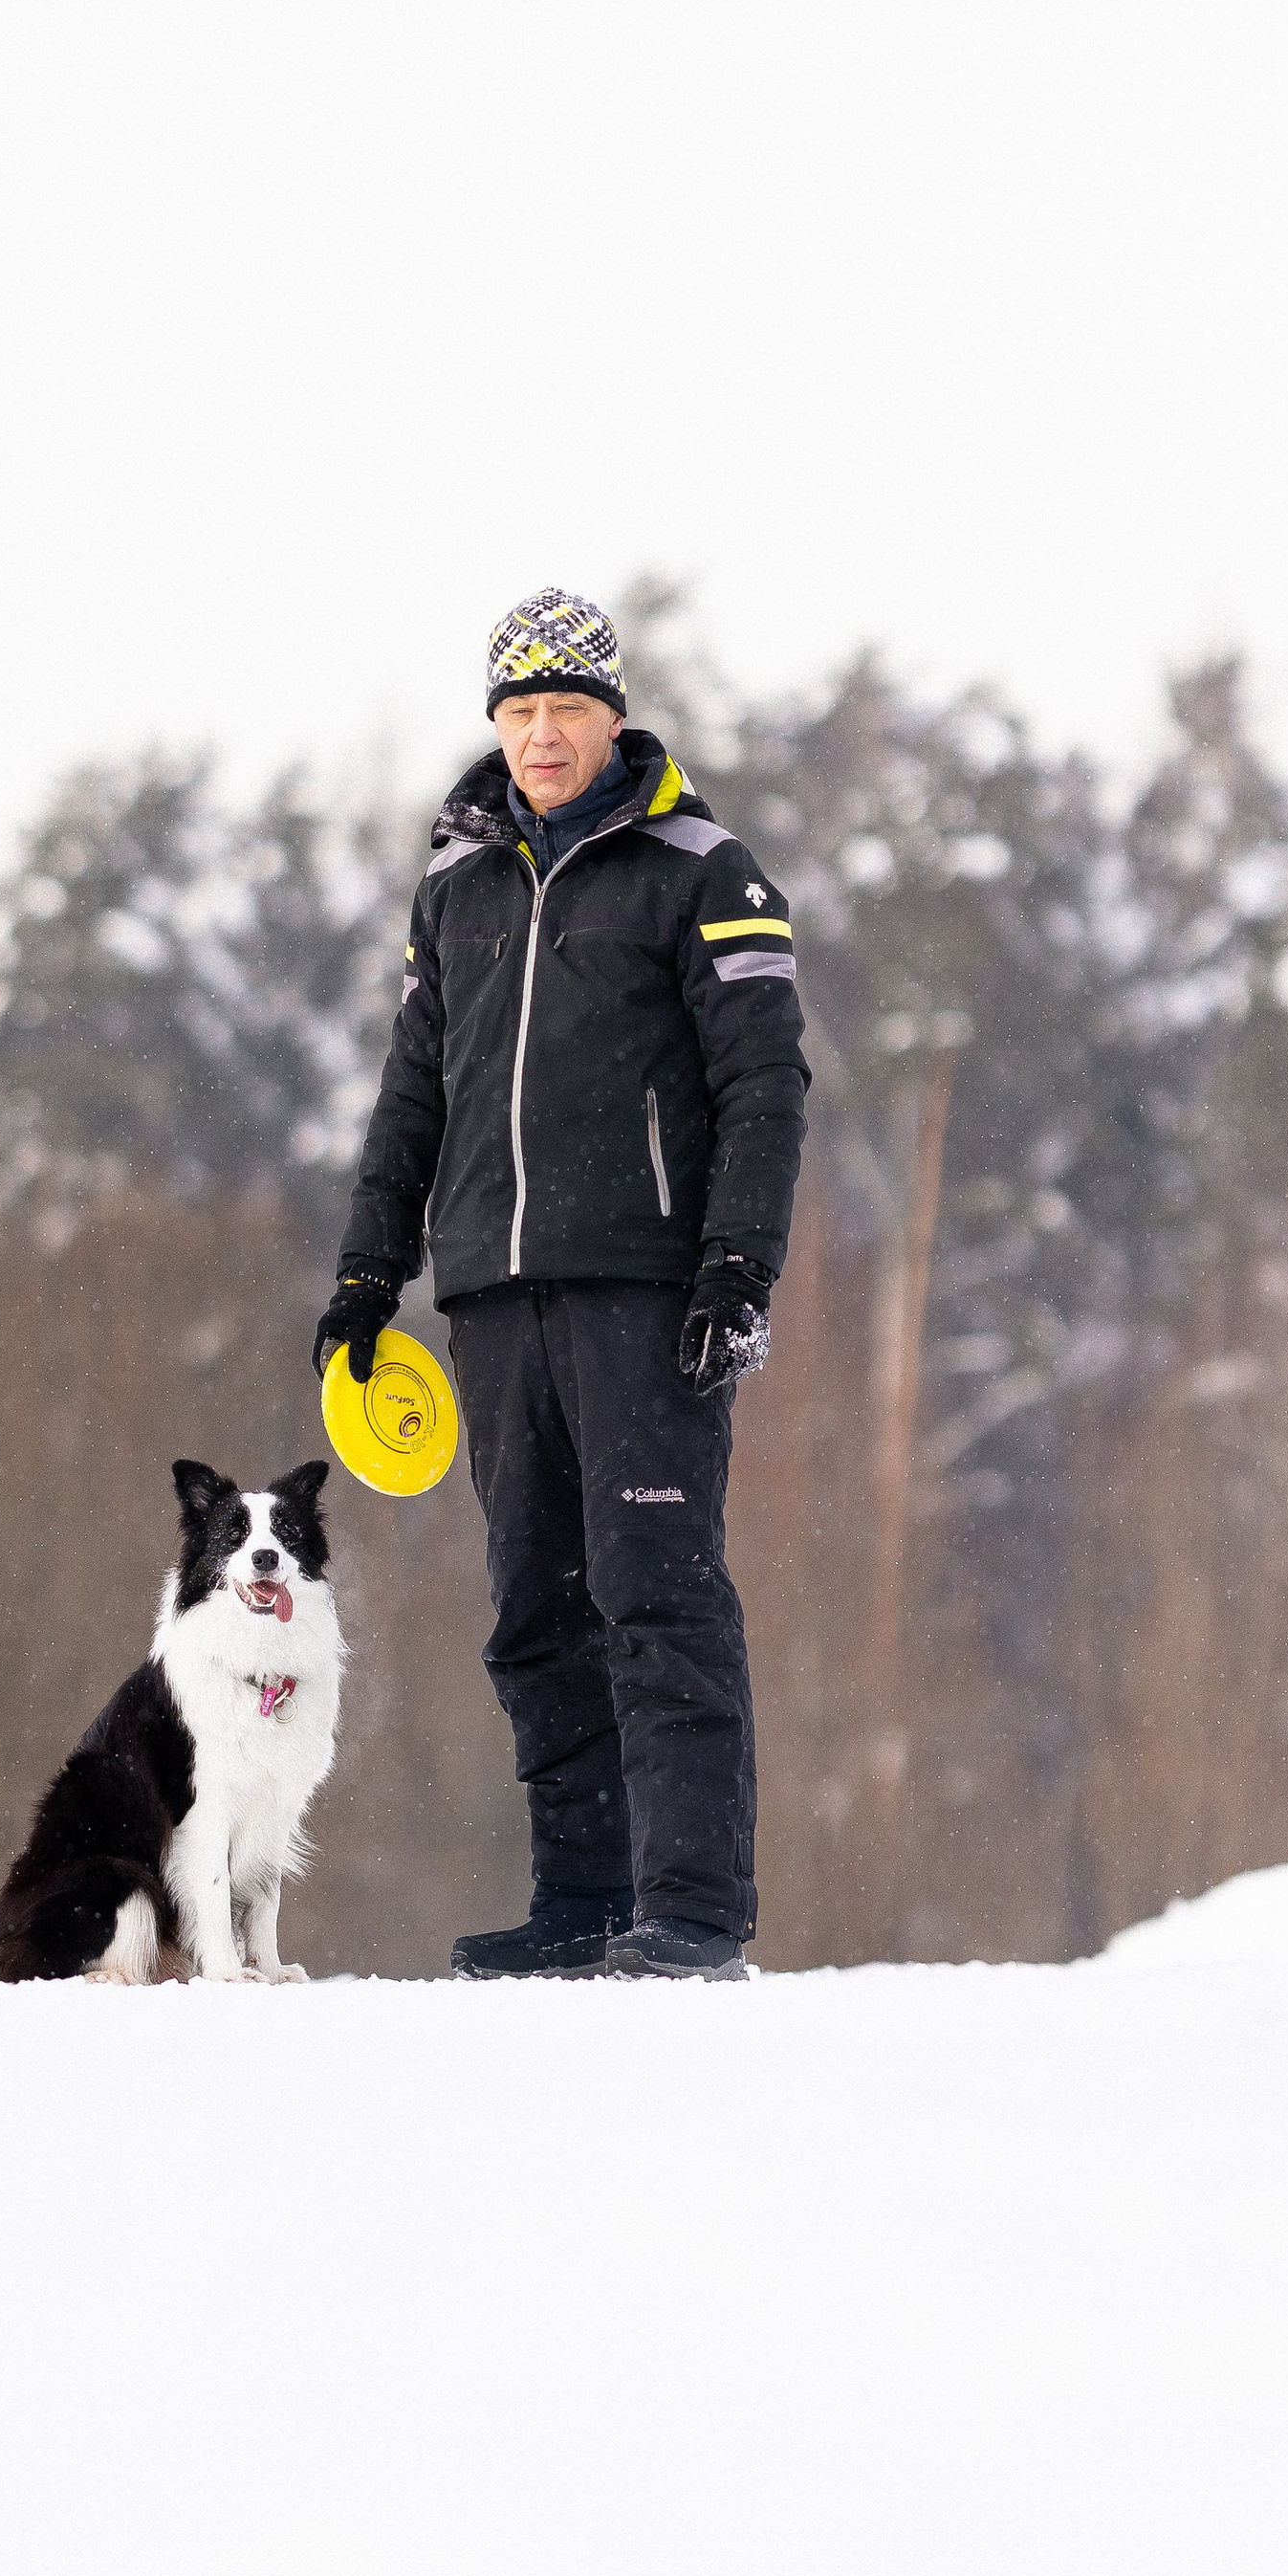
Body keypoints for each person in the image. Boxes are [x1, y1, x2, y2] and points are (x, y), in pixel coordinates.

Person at [317, 587, 809, 1978]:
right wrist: (370, 1265)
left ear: (612, 717)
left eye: (565, 709)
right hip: (491, 1294)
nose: (541, 734)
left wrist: (738, 1264)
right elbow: (415, 1094)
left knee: (657, 1593)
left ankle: (694, 1911)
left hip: (647, 1290)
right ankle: (586, 1900)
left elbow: (765, 1085)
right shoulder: (455, 887)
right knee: (536, 1606)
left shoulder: (703, 871)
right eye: (518, 711)